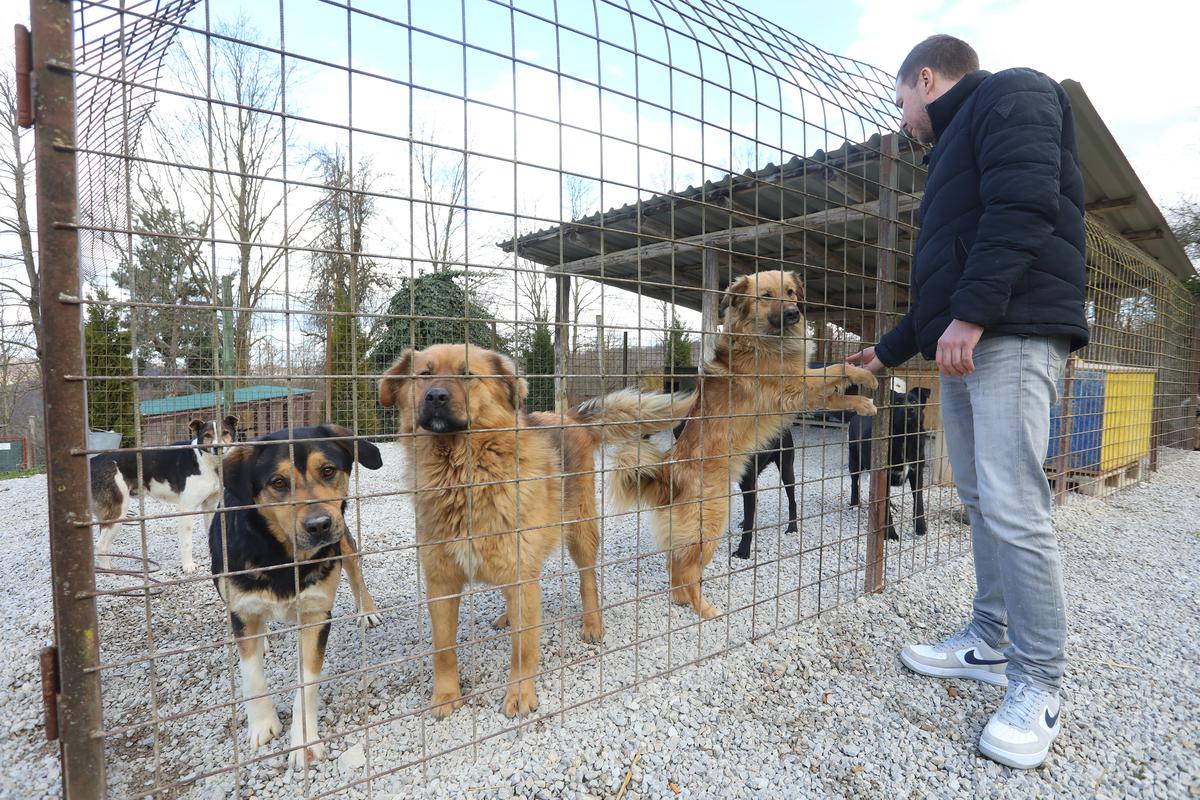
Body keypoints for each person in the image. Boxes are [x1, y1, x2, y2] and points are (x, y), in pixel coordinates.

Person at [846, 34, 1088, 769]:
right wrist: (885, 352)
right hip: (969, 339)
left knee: (1015, 505)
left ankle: (1039, 681)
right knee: (983, 500)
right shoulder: (951, 147)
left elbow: (1025, 205)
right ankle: (988, 640)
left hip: (1010, 331)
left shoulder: (1014, 91)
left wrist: (975, 314)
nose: (902, 119)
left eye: (901, 102)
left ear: (926, 78)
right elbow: (945, 280)